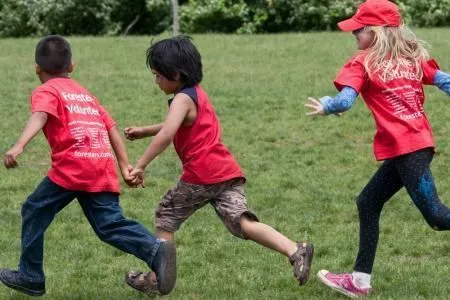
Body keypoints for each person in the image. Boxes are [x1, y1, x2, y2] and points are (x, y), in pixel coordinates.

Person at [123, 35, 314, 296]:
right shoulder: (197, 94)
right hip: (226, 172)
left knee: (165, 216)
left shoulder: (181, 99)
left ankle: (157, 279)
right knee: (241, 222)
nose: (156, 81)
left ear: (175, 74)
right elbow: (175, 125)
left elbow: (168, 133)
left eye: (158, 75)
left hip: (201, 175)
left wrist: (141, 165)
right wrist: (145, 130)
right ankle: (295, 249)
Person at [0, 35, 176, 297]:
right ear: (72, 66)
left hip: (73, 167)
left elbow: (40, 115)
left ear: (37, 68)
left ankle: (31, 275)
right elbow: (111, 127)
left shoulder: (46, 91)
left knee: (34, 210)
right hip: (99, 164)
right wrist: (125, 165)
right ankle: (155, 249)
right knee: (109, 224)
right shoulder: (85, 94)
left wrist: (19, 145)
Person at [305, 0, 450, 298]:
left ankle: (359, 281)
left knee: (436, 217)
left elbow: (345, 101)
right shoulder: (411, 58)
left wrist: (327, 105)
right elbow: (445, 80)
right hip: (414, 147)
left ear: (376, 32)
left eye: (359, 29)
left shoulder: (363, 62)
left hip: (409, 151)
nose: (354, 35)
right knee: (368, 202)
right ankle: (359, 281)